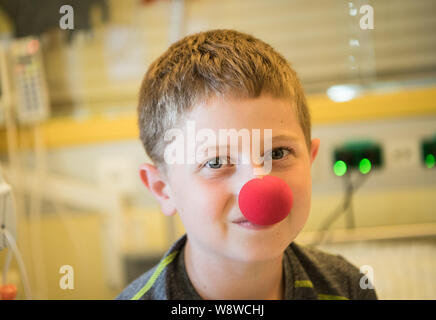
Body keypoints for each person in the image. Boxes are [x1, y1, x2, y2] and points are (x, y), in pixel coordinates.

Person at [116, 29, 377, 300]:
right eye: (216, 162)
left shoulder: (349, 289)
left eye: (278, 153)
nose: (258, 184)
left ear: (310, 160)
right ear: (162, 188)